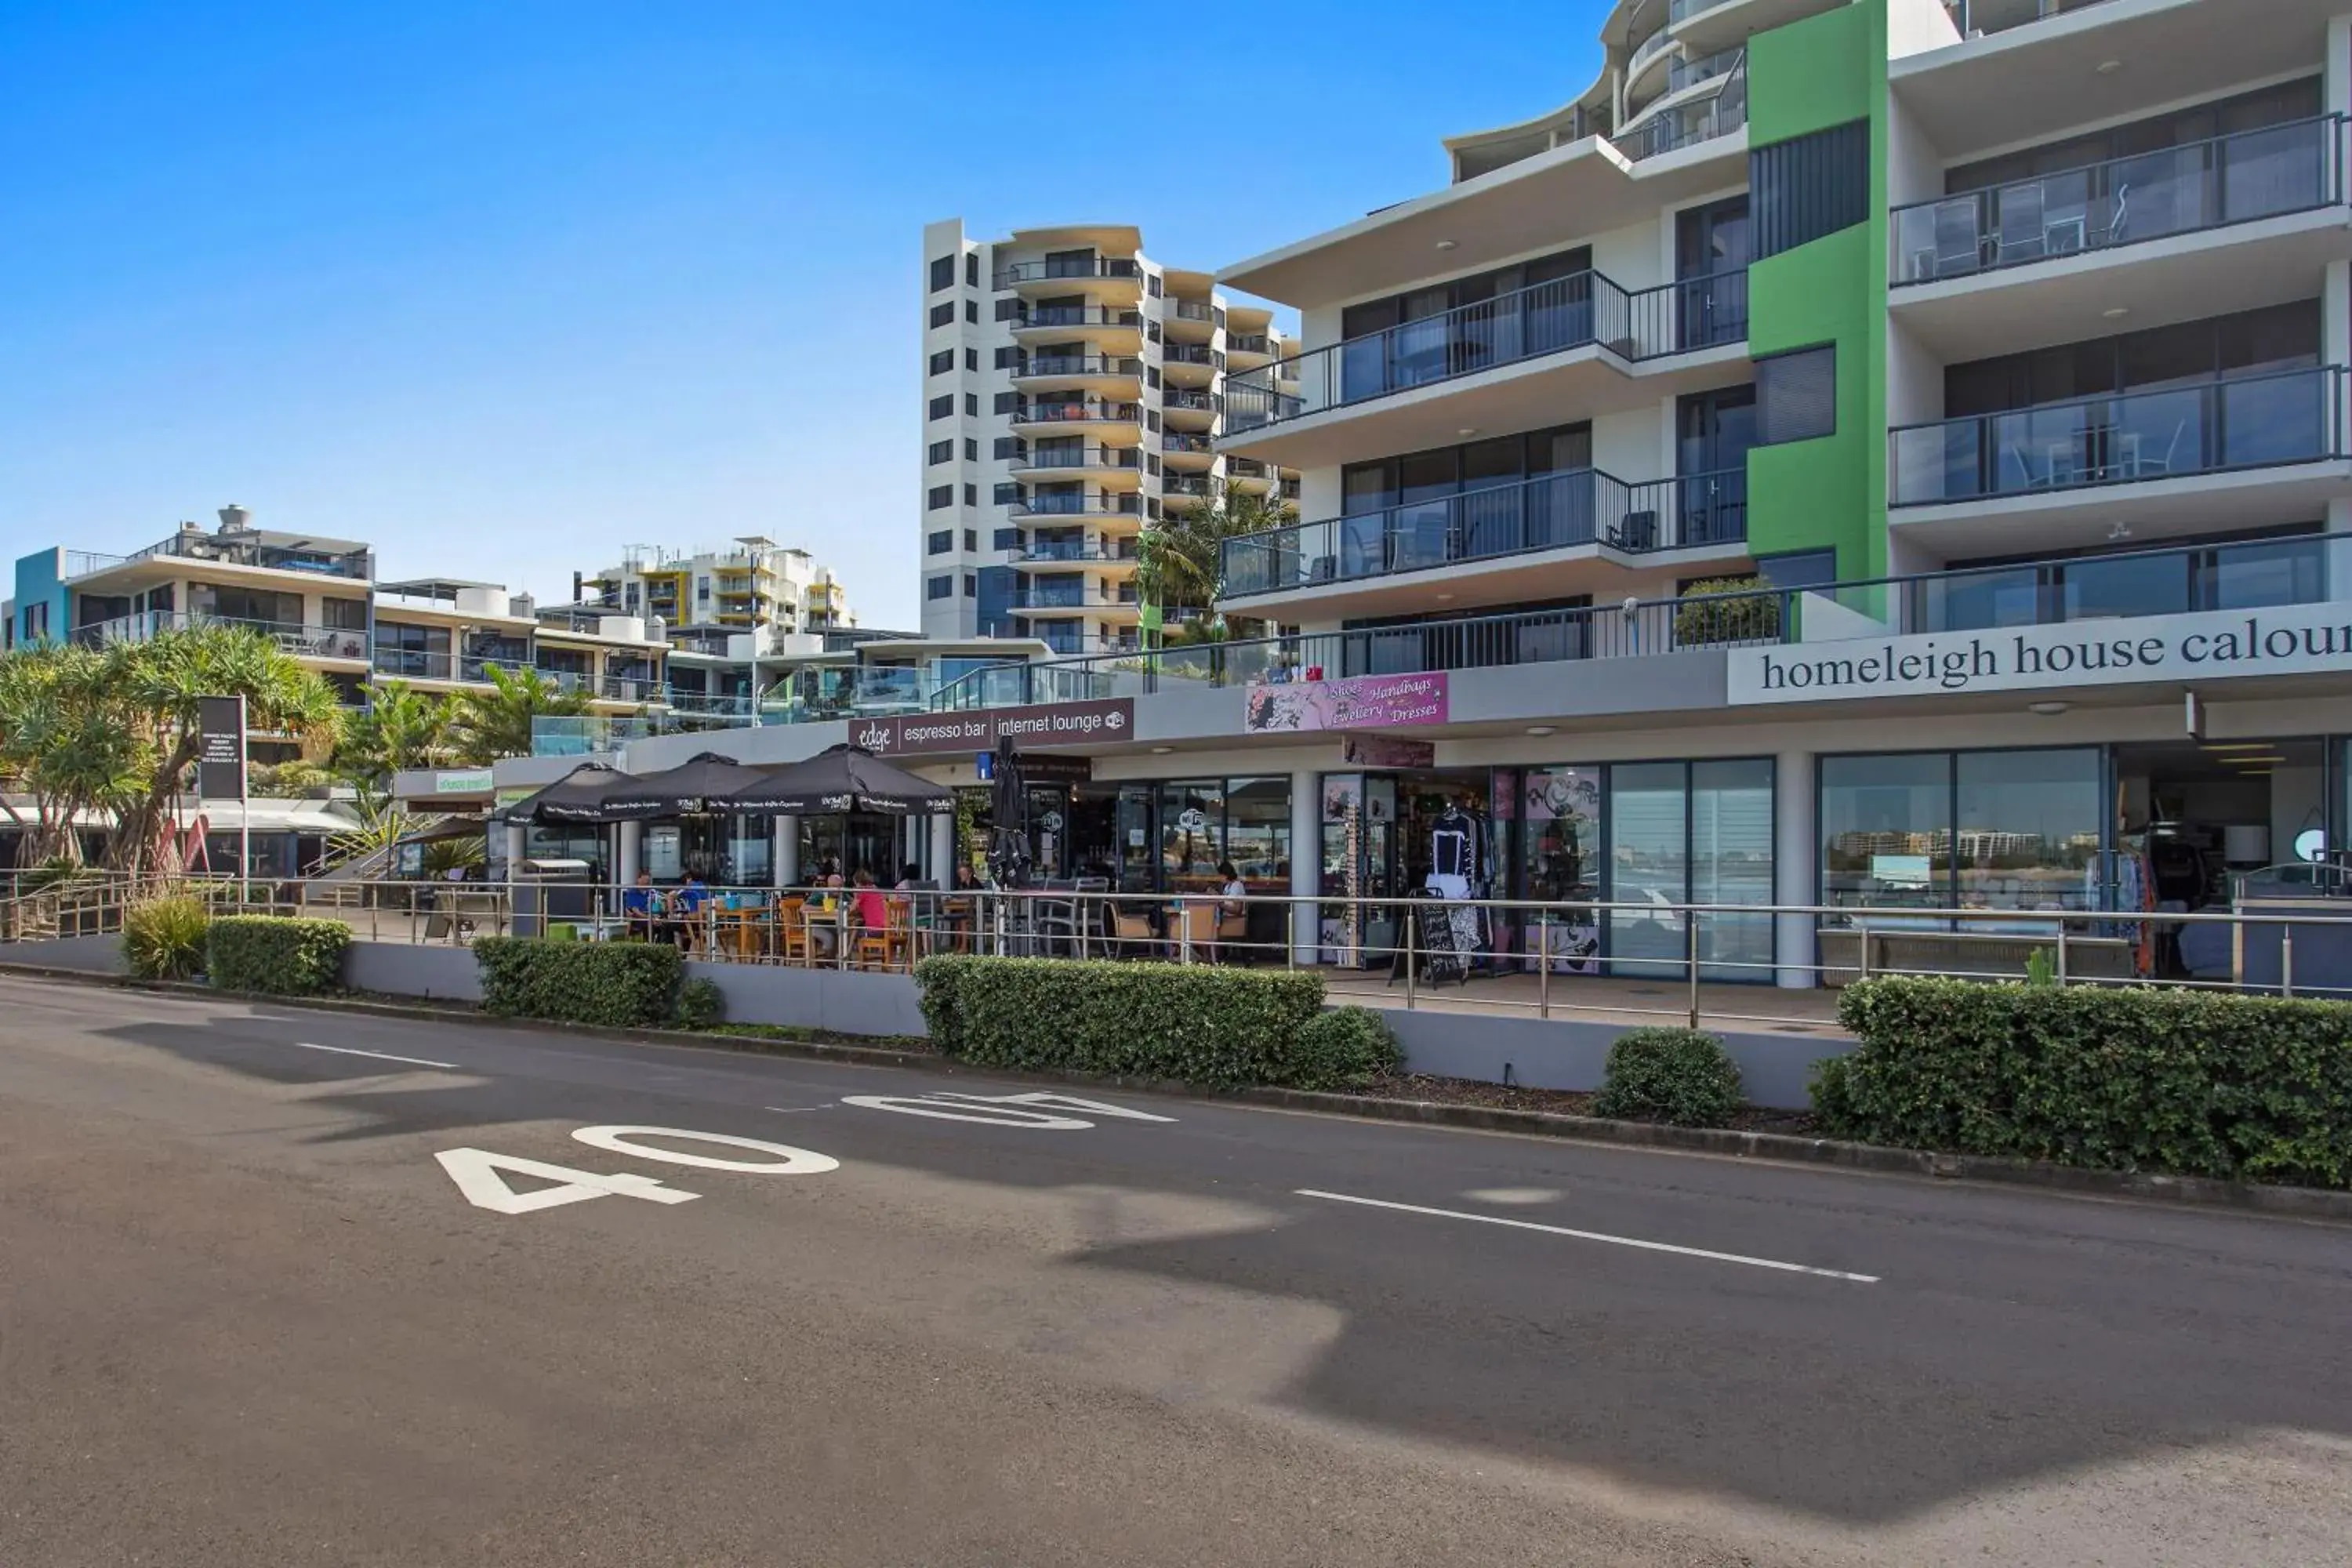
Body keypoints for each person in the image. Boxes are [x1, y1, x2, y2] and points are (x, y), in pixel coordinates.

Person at [671, 872, 710, 953]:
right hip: (704, 921)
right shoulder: (703, 887)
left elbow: (672, 895)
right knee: (683, 923)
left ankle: (670, 953)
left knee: (667, 925)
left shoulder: (690, 887)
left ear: (689, 879)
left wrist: (672, 915)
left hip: (694, 920)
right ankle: (683, 953)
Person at [622, 870, 659, 942]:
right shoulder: (632, 893)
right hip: (638, 918)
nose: (646, 883)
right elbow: (635, 911)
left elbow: (657, 905)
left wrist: (656, 917)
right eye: (644, 881)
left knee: (665, 925)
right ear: (638, 880)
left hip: (652, 916)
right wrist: (649, 918)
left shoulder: (652, 892)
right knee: (649, 925)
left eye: (648, 881)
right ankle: (649, 944)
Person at [851, 868, 891, 935]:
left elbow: (852, 909)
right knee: (857, 925)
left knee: (854, 930)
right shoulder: (875, 888)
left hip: (874, 930)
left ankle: (846, 941)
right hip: (884, 928)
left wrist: (855, 895)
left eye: (855, 884)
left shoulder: (862, 891)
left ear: (858, 883)